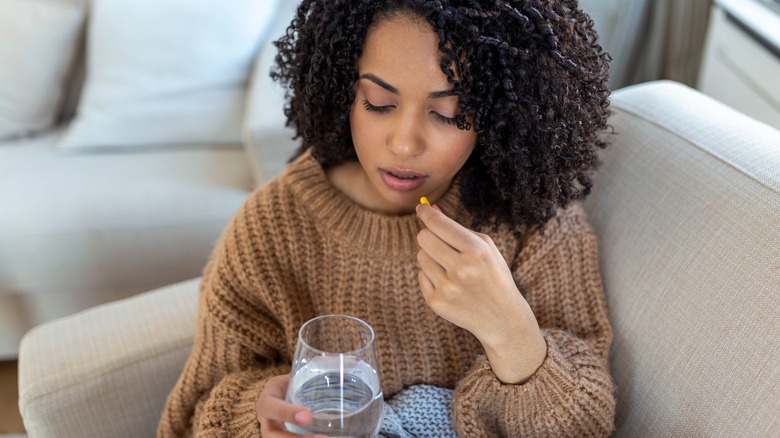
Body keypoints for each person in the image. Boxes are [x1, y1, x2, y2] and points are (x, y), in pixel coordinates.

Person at [158, 0, 615, 436]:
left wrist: (509, 329)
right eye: (378, 102)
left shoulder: (530, 221)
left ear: (498, 115)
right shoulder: (271, 228)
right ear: (344, 91)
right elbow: (193, 414)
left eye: (447, 113)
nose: (404, 144)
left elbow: (585, 425)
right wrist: (257, 416)